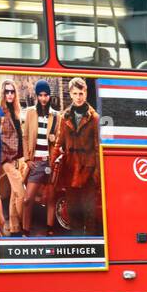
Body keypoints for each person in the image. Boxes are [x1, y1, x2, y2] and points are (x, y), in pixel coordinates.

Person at [54, 76, 101, 236]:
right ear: (71, 94)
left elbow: (97, 147)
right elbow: (58, 143)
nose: (78, 97)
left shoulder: (94, 118)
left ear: (86, 93)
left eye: (81, 93)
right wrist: (51, 166)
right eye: (75, 93)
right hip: (70, 170)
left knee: (90, 214)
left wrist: (96, 174)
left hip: (88, 172)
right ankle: (77, 245)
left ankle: (92, 250)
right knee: (73, 213)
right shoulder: (64, 116)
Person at [21, 79, 60, 236]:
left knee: (51, 198)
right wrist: (27, 159)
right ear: (37, 96)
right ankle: (25, 230)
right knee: (27, 199)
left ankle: (49, 229)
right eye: (40, 95)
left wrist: (54, 140)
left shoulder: (56, 116)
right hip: (35, 163)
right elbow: (25, 136)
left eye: (46, 95)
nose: (43, 98)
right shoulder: (31, 112)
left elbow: (59, 140)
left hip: (49, 162)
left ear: (49, 96)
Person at [0, 80, 25, 235]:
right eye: (7, 92)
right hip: (6, 159)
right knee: (21, 193)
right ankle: (23, 225)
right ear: (2, 93)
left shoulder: (15, 111)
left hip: (17, 157)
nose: (10, 94)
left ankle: (14, 228)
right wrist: (3, 159)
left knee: (13, 196)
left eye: (12, 92)